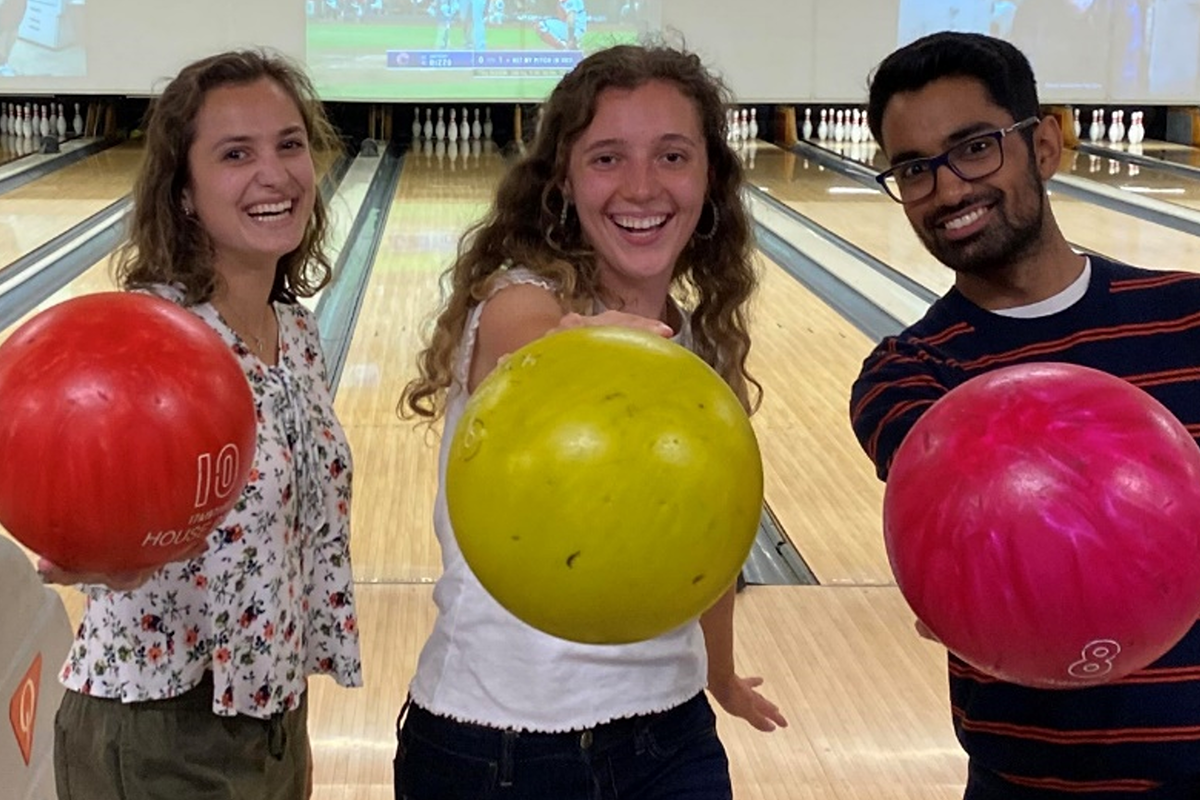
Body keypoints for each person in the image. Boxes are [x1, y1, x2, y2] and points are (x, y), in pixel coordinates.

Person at [396, 43, 787, 800]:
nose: (642, 186)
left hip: (671, 735)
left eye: (673, 155)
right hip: (495, 748)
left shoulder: (696, 349)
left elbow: (706, 542)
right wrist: (579, 344)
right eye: (607, 158)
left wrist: (722, 672)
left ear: (711, 176)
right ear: (564, 183)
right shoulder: (514, 301)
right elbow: (533, 344)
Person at [850, 31, 1200, 799]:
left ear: (1044, 144)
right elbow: (964, 548)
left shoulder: (1187, 318)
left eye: (974, 147)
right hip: (1025, 783)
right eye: (913, 169)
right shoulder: (907, 376)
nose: (945, 189)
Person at [41, 49, 361, 800]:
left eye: (289, 144)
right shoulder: (145, 340)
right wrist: (95, 552)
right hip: (156, 723)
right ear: (184, 192)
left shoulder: (298, 333)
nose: (275, 173)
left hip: (271, 713)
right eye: (234, 154)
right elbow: (61, 496)